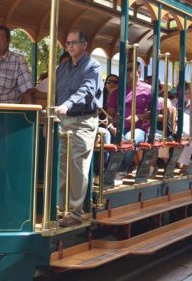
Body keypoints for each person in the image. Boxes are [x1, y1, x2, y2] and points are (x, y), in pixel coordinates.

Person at [55, 30, 103, 227]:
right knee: (61, 164)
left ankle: (75, 212)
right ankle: (58, 209)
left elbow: (86, 91)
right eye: (67, 43)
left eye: (74, 42)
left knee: (77, 164)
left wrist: (67, 105)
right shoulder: (63, 67)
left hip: (83, 120)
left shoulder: (93, 66)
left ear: (85, 44)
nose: (70, 46)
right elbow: (54, 91)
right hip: (63, 120)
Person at [106, 60, 151, 174]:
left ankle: (121, 170)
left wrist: (139, 117)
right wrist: (112, 126)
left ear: (138, 73)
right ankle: (102, 171)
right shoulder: (117, 92)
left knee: (130, 137)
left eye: (130, 69)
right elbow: (109, 115)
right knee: (101, 136)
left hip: (139, 129)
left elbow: (156, 114)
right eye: (125, 69)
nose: (126, 72)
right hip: (117, 129)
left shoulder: (148, 90)